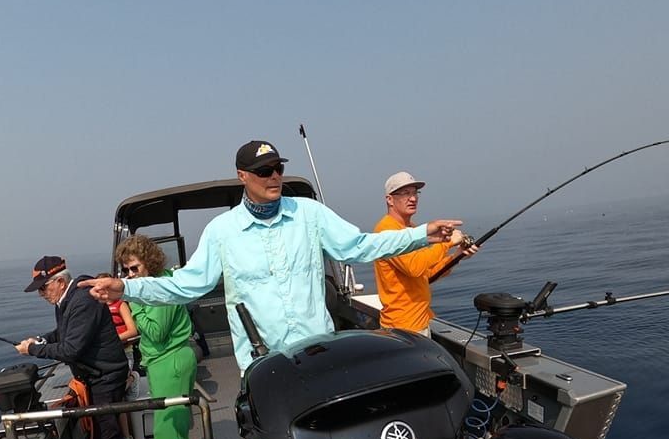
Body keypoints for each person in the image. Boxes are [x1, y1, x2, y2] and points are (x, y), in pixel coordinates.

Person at [81, 140, 465, 372]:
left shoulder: (309, 214)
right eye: (264, 171)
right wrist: (125, 289)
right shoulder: (222, 231)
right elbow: (185, 286)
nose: (274, 176)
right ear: (242, 176)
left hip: (320, 352)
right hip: (263, 364)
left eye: (278, 168)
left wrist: (422, 235)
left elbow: (362, 246)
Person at [114, 235, 205, 439]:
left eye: (135, 268)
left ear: (149, 263)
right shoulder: (160, 283)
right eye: (126, 270)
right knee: (173, 424)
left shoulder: (159, 289)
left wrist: (131, 302)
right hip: (165, 361)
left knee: (167, 428)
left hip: (170, 361)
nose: (130, 275)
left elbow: (156, 332)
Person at [15, 256, 129, 439]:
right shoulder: (67, 300)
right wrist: (41, 340)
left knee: (107, 434)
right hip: (95, 376)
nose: (41, 294)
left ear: (60, 282)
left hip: (106, 377)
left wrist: (32, 350)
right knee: (101, 430)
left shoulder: (83, 301)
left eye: (43, 288)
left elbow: (70, 349)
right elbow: (63, 332)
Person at [374, 172, 477, 335]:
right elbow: (414, 267)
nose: (413, 198)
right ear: (390, 199)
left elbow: (427, 274)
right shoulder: (386, 231)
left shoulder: (413, 229)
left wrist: (458, 255)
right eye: (405, 193)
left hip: (421, 322)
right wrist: (447, 243)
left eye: (415, 193)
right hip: (402, 327)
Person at [97, 272, 139, 439]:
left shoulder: (120, 305)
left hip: (123, 353)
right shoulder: (95, 309)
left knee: (119, 395)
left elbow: (132, 330)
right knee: (114, 397)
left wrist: (113, 340)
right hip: (106, 358)